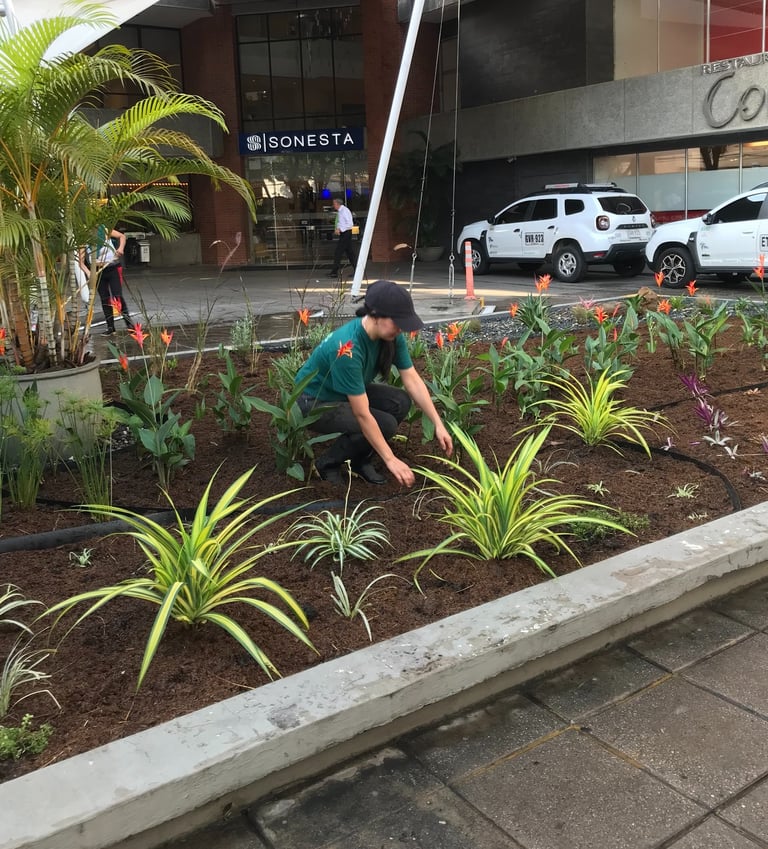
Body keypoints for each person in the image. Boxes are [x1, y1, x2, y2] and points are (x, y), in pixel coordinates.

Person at [295, 279, 453, 486]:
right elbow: (362, 414)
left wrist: (438, 424)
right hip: (314, 401)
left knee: (400, 402)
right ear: (376, 315)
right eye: (397, 323)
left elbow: (411, 378)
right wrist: (391, 460)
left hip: (342, 392)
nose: (401, 329)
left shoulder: (391, 336)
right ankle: (326, 464)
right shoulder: (348, 348)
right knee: (384, 424)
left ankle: (360, 460)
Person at [79, 226, 134, 336]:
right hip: (98, 271)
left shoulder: (103, 230)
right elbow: (80, 262)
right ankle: (110, 327)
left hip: (113, 267)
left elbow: (122, 236)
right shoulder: (84, 239)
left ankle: (129, 324)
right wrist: (89, 272)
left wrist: (120, 248)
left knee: (117, 296)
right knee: (105, 299)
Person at [328, 197, 356, 278]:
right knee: (350, 253)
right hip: (344, 234)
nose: (333, 205)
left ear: (337, 204)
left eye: (334, 204)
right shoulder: (340, 211)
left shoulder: (345, 211)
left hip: (346, 233)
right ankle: (357, 270)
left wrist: (340, 229)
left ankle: (334, 272)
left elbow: (350, 224)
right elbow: (341, 222)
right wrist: (338, 228)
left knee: (338, 252)